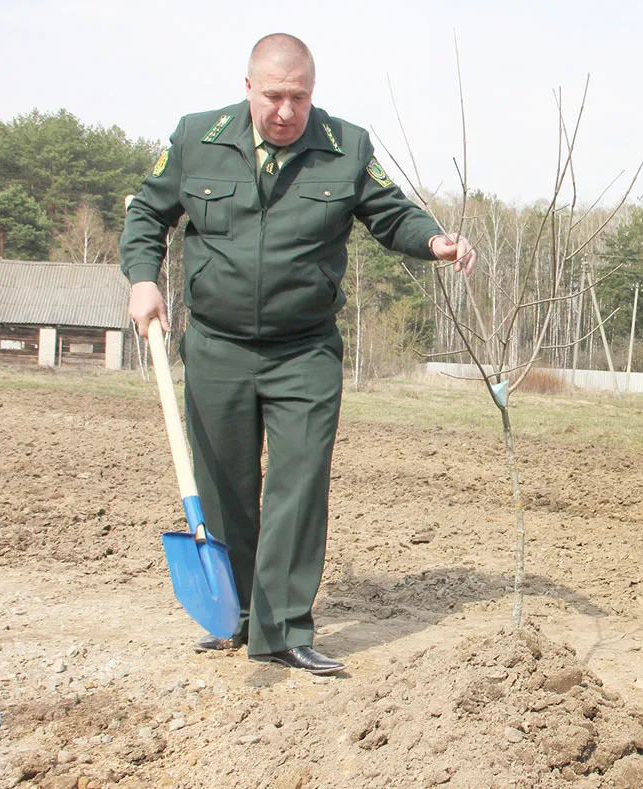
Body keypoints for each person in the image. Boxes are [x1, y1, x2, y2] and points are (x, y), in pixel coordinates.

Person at [120, 33, 476, 676]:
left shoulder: (346, 148)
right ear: (248, 87)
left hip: (304, 350)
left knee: (298, 483)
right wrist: (143, 276)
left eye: (300, 97)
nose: (286, 111)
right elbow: (148, 211)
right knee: (225, 485)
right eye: (275, 96)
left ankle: (283, 628)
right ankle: (236, 617)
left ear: (314, 93)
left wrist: (435, 242)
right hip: (217, 345)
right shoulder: (196, 137)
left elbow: (393, 215)